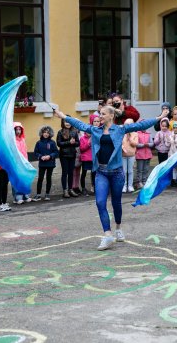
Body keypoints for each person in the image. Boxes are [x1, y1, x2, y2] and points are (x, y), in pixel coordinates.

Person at [53, 105, 168, 251]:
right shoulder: (95, 130)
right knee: (100, 202)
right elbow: (80, 124)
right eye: (99, 114)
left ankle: (118, 228)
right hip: (101, 172)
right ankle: (107, 235)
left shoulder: (120, 129)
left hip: (116, 173)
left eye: (102, 114)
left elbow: (140, 125)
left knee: (116, 203)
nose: (99, 116)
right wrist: (63, 116)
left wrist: (159, 117)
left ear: (111, 116)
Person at [33, 125, 58, 201]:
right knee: (40, 178)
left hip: (50, 163)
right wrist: (41, 156)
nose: (46, 134)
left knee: (48, 178)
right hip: (42, 163)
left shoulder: (52, 142)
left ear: (50, 133)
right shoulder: (38, 143)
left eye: (47, 132)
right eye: (44, 132)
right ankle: (38, 194)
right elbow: (36, 152)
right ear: (42, 133)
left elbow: (56, 152)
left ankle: (47, 194)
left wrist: (50, 156)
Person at [57, 118, 79, 198]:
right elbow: (59, 143)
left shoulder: (74, 131)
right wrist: (69, 142)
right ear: (63, 122)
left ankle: (70, 189)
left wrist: (74, 143)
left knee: (71, 173)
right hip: (64, 155)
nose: (68, 123)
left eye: (69, 121)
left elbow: (78, 143)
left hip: (72, 154)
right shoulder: (60, 132)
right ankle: (65, 190)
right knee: (65, 173)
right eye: (66, 121)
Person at [12, 122, 32, 204]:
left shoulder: (22, 140)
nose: (18, 131)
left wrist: (26, 162)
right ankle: (17, 196)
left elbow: (25, 152)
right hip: (16, 163)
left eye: (19, 129)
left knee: (24, 179)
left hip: (24, 162)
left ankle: (26, 195)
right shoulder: (12, 141)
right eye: (16, 129)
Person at [134, 121, 153, 189]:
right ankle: (139, 182)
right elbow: (136, 144)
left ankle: (144, 181)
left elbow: (152, 143)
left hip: (148, 154)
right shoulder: (137, 134)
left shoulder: (148, 134)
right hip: (140, 155)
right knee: (139, 169)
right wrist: (143, 145)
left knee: (146, 169)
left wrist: (148, 144)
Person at [121, 118, 138, 193]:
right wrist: (122, 147)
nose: (127, 126)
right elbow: (119, 143)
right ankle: (124, 186)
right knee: (124, 171)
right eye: (126, 124)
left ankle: (130, 185)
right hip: (123, 155)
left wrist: (130, 137)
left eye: (129, 125)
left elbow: (135, 144)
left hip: (131, 155)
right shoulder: (122, 133)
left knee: (130, 171)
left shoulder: (135, 134)